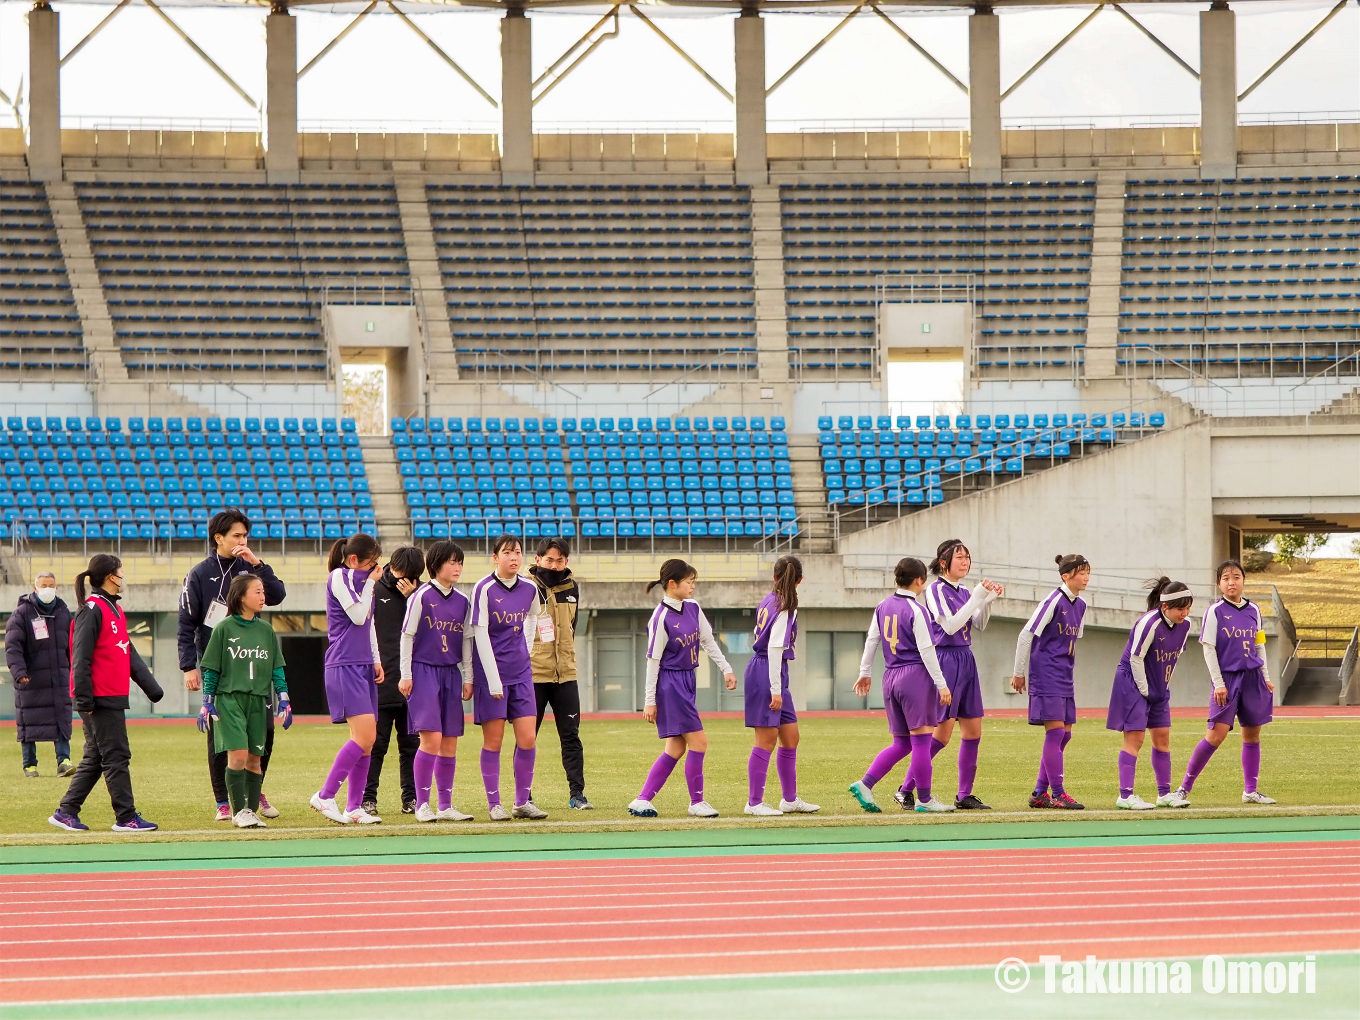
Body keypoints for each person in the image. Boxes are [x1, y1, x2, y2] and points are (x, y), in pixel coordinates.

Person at [178, 509, 287, 822]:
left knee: (263, 731)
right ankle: (223, 801)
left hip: (253, 663)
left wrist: (256, 563)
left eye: (245, 535)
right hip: (219, 665)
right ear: (219, 538)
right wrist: (189, 665)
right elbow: (187, 623)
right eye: (237, 536)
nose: (242, 541)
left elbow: (277, 595)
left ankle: (255, 791)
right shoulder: (199, 574)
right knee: (221, 737)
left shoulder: (250, 569)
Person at [48, 555, 163, 833]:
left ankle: (66, 812)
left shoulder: (115, 610)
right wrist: (85, 699)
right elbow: (80, 657)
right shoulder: (92, 609)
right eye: (121, 570)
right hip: (98, 698)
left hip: (111, 694)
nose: (123, 575)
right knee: (116, 755)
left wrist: (152, 688)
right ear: (112, 576)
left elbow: (128, 652)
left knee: (97, 757)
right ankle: (126, 817)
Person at [895, 540, 1001, 811]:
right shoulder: (934, 590)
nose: (965, 562)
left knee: (973, 730)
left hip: (966, 658)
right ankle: (905, 788)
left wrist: (987, 601)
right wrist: (978, 597)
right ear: (944, 562)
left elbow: (979, 623)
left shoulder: (964, 590)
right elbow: (951, 626)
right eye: (960, 558)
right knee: (942, 734)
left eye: (967, 557)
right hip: (945, 659)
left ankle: (964, 794)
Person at [628, 559, 736, 819]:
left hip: (688, 680)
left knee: (676, 748)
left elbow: (708, 641)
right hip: (671, 684)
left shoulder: (693, 608)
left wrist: (726, 669)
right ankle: (696, 802)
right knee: (699, 742)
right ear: (672, 584)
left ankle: (642, 799)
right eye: (689, 581)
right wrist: (649, 700)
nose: (693, 586)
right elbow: (653, 662)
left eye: (693, 581)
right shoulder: (661, 618)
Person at [848, 557, 955, 814]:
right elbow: (928, 652)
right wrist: (942, 685)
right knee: (921, 742)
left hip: (890, 676)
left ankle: (866, 784)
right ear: (919, 581)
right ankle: (925, 799)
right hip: (914, 676)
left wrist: (865, 672)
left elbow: (872, 641)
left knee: (902, 743)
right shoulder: (917, 610)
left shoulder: (882, 606)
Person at [1173, 559, 1277, 806]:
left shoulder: (1254, 610)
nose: (1232, 582)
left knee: (1252, 734)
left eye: (1236, 577)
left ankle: (1250, 791)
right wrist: (1219, 683)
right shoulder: (1215, 611)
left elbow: (1259, 644)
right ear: (1219, 583)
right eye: (1226, 578)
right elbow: (1209, 649)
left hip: (1253, 678)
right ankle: (1183, 788)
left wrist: (1267, 677)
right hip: (1228, 680)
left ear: (1243, 581)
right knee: (1215, 736)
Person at [196, 574, 292, 828]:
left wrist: (283, 697)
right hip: (230, 700)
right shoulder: (224, 628)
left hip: (258, 701)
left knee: (254, 759)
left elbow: (276, 667)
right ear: (241, 596)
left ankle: (250, 811)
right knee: (237, 755)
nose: (263, 597)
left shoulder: (266, 630)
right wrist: (207, 701)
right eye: (257, 592)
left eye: (263, 592)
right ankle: (239, 812)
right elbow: (212, 669)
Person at [465, 534, 549, 821]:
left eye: (517, 552)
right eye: (507, 552)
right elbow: (479, 634)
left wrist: (525, 648)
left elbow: (534, 617)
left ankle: (522, 802)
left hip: (522, 674)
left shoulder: (529, 588)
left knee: (527, 738)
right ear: (495, 557)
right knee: (494, 741)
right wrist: (493, 678)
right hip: (492, 676)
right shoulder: (484, 588)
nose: (514, 557)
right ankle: (494, 804)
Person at [310, 533, 384, 825]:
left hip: (363, 663)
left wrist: (376, 659)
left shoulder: (365, 583)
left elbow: (369, 624)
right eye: (371, 564)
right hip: (344, 663)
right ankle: (325, 795)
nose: (374, 570)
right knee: (364, 736)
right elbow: (356, 615)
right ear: (353, 560)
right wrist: (369, 584)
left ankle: (354, 807)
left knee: (367, 741)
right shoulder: (339, 577)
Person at [399, 540, 474, 822]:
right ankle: (422, 804)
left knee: (450, 742)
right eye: (451, 562)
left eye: (460, 562)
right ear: (435, 565)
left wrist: (468, 677)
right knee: (431, 739)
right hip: (424, 671)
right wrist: (406, 674)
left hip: (450, 673)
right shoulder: (421, 595)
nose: (457, 568)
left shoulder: (464, 601)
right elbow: (407, 636)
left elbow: (466, 641)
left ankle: (446, 805)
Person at [1106, 577, 1194, 810]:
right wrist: (1146, 691)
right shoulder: (1149, 623)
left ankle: (1165, 794)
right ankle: (1125, 795)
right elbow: (1135, 659)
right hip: (1133, 682)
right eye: (1179, 608)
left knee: (1162, 738)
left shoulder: (1186, 626)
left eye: (1187, 608)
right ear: (1165, 607)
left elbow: (1173, 659)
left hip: (1158, 684)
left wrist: (1163, 687)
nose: (1184, 613)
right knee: (1135, 738)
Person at [1012, 553, 1090, 810]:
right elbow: (1026, 635)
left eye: (1087, 572)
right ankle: (1057, 793)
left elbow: (1072, 642)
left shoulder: (1081, 605)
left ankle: (1039, 792)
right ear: (1065, 576)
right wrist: (1019, 672)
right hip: (1046, 673)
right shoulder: (1053, 600)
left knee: (1065, 735)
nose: (1085, 577)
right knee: (1055, 732)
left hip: (1064, 675)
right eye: (1080, 572)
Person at [743, 555, 818, 816]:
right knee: (766, 739)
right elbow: (775, 649)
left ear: (774, 577)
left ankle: (789, 799)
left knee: (791, 737)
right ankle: (754, 802)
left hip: (772, 671)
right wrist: (776, 689)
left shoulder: (771, 599)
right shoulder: (786, 605)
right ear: (800, 580)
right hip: (767, 671)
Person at [529, 537, 591, 810]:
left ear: (567, 561)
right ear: (537, 559)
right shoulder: (525, 588)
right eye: (549, 560)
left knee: (571, 736)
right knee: (527, 737)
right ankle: (524, 794)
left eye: (560, 560)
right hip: (533, 675)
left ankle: (577, 794)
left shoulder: (572, 587)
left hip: (566, 674)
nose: (554, 565)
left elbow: (572, 626)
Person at [365, 545, 425, 816]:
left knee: (412, 745)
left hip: (414, 682)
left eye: (411, 575)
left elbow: (431, 633)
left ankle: (411, 798)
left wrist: (414, 597)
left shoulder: (423, 595)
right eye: (401, 572)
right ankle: (368, 798)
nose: (404, 579)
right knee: (375, 744)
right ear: (391, 565)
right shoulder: (374, 589)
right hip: (381, 679)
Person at [6, 571, 74, 778]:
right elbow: (13, 646)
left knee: (61, 719)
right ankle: (30, 765)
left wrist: (74, 671)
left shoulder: (63, 612)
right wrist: (19, 672)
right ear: (35, 588)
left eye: (51, 585)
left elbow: (72, 645)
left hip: (59, 678)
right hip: (31, 679)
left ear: (57, 587)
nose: (47, 589)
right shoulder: (22, 613)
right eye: (43, 585)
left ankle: (64, 761)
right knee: (29, 721)